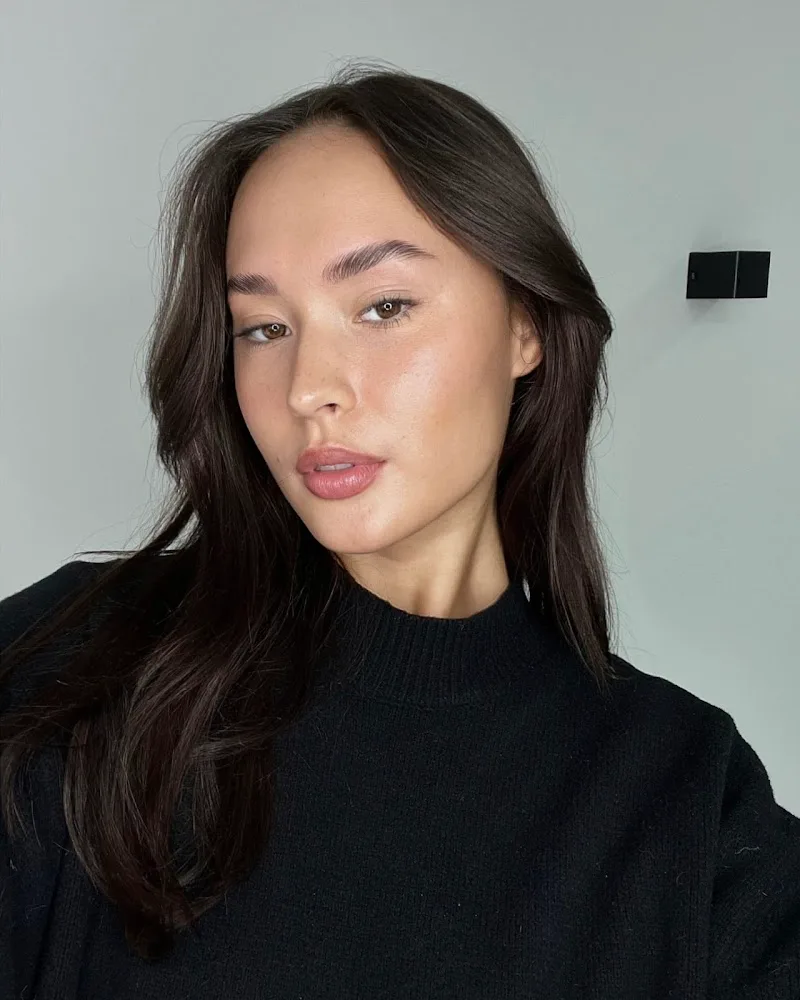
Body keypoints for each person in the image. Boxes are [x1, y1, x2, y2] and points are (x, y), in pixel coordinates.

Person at [1, 59, 798, 1000]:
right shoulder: (74, 667)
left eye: (384, 307)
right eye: (263, 327)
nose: (308, 389)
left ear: (526, 326)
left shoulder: (683, 794)